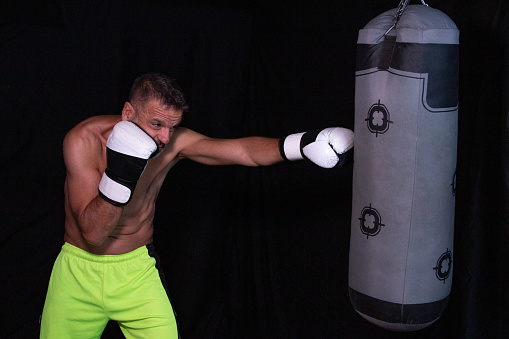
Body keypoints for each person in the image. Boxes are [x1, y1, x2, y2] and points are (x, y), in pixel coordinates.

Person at [39, 73, 353, 338]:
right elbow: (93, 234)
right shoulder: (83, 140)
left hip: (135, 272)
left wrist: (299, 145)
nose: (164, 137)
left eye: (172, 127)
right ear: (127, 113)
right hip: (78, 271)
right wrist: (121, 175)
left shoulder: (174, 143)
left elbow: (241, 151)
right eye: (157, 123)